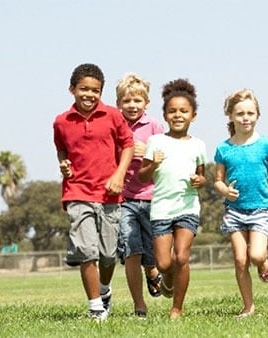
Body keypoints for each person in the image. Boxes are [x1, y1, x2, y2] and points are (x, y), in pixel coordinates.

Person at [53, 63, 134, 321]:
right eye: (83, 89)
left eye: (95, 90)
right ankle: (95, 306)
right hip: (77, 192)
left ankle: (104, 289)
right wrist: (63, 163)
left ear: (102, 92)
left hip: (109, 194)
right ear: (72, 89)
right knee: (86, 250)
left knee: (108, 255)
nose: (89, 95)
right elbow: (62, 149)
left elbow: (128, 145)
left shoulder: (112, 116)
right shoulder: (61, 122)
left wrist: (119, 175)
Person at [213, 89, 268, 318]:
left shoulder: (266, 145)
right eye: (240, 113)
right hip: (234, 212)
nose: (245, 118)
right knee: (240, 260)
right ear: (230, 115)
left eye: (250, 113)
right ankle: (248, 306)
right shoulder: (224, 148)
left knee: (256, 256)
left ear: (257, 115)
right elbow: (218, 181)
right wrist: (224, 190)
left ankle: (264, 262)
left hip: (260, 209)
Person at [138, 78, 207, 319]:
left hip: (188, 207)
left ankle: (176, 309)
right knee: (165, 264)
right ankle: (167, 281)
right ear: (165, 115)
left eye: (184, 111)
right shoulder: (156, 142)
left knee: (182, 257)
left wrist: (200, 182)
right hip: (161, 210)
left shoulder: (199, 145)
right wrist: (153, 163)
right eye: (172, 111)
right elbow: (142, 176)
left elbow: (202, 176)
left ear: (193, 115)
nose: (178, 115)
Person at [115, 73, 165, 318]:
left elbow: (167, 158)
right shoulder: (115, 125)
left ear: (146, 103)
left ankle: (153, 270)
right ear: (118, 104)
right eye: (126, 101)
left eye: (137, 101)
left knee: (153, 253)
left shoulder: (155, 126)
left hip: (152, 197)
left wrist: (149, 151)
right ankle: (139, 305)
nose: (132, 106)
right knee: (131, 250)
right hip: (124, 200)